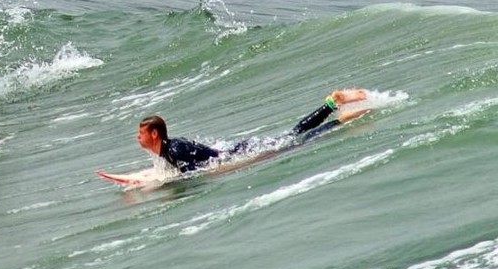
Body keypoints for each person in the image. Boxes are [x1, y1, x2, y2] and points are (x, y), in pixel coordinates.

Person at [136, 89, 369, 173]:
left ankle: (337, 111)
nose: (138, 138)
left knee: (299, 137)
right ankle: (332, 106)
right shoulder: (169, 149)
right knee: (295, 135)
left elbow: (203, 172)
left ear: (154, 134)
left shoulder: (174, 150)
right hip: (237, 150)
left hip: (240, 153)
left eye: (141, 133)